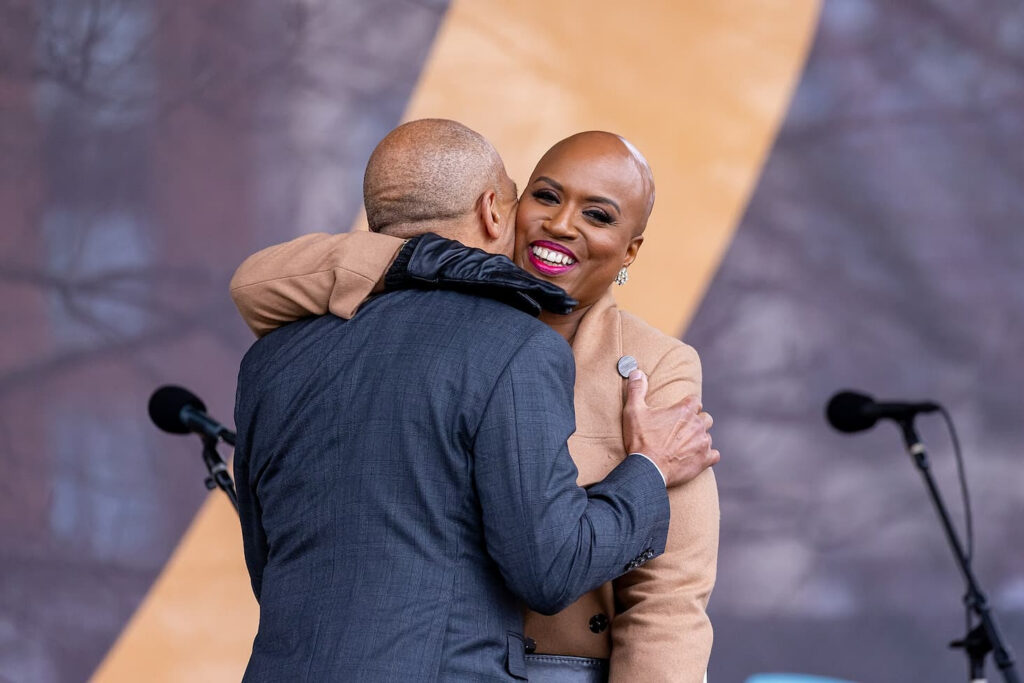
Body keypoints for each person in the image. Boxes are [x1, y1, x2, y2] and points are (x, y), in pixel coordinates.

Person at [232, 119, 718, 682]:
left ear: (631, 251)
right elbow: (255, 283)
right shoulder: (431, 330)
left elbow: (668, 600)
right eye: (545, 197)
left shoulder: (653, 364)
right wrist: (431, 259)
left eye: (598, 215)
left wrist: (648, 470)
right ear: (500, 210)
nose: (562, 224)